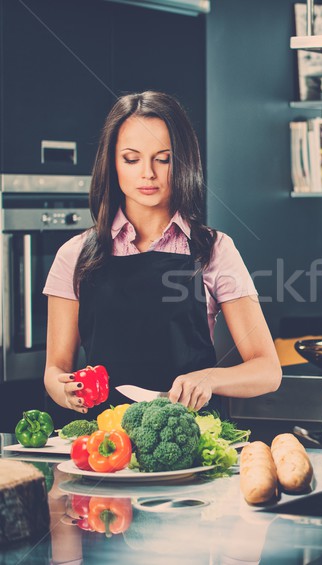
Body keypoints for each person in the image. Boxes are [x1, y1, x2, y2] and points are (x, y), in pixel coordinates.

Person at [43, 91, 281, 420]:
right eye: (131, 158)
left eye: (163, 158)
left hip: (192, 443)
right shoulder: (74, 255)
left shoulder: (213, 250)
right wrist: (65, 389)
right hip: (105, 448)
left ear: (182, 162)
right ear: (112, 162)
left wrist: (207, 379)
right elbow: (55, 370)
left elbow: (267, 370)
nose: (148, 173)